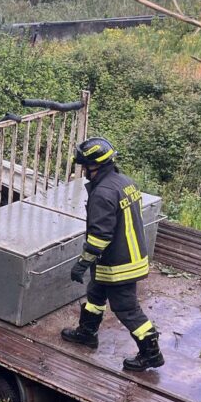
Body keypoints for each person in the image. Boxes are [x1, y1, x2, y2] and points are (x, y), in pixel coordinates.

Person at [61, 137, 165, 372]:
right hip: (126, 255)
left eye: (85, 166)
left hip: (119, 263)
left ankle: (151, 354)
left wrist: (82, 263)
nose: (84, 171)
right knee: (96, 293)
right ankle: (87, 333)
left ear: (94, 166)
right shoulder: (125, 182)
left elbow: (100, 235)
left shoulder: (103, 193)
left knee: (127, 309)